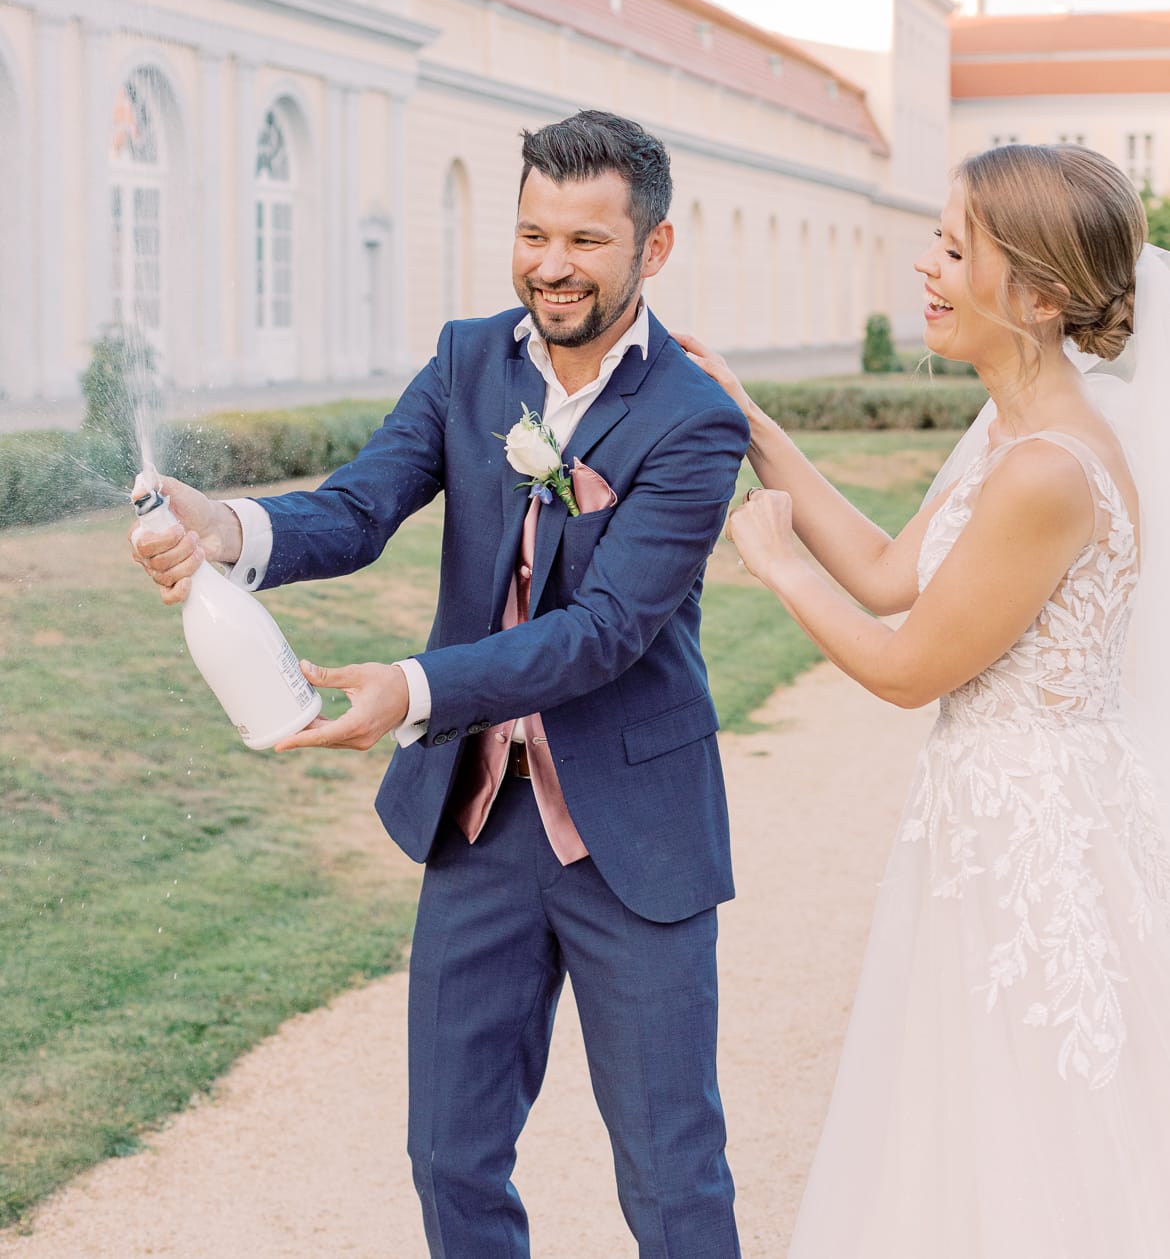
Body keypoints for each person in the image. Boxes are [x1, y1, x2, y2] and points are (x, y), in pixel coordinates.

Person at [132, 108, 749, 1259]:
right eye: (530, 233)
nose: (549, 266)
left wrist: (410, 690)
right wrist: (223, 527)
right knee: (450, 1158)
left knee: (671, 1176)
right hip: (479, 821)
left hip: (637, 835)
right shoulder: (470, 357)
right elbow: (363, 505)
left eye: (585, 241)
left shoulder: (696, 423)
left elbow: (603, 634)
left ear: (653, 249)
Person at [680, 143, 1170, 1258]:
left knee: (1035, 1122)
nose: (926, 266)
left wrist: (779, 567)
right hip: (989, 818)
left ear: (1040, 294)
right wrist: (756, 426)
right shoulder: (1011, 428)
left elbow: (909, 668)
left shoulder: (1049, 469)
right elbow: (895, 571)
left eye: (955, 249)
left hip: (1038, 833)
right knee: (963, 1108)